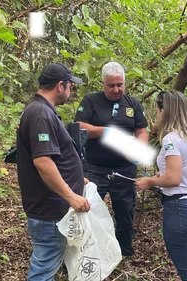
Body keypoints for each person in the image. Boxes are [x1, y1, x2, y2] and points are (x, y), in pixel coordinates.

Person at [16, 62, 91, 281]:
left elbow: (54, 159)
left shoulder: (42, 111)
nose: (70, 90)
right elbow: (43, 162)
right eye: (70, 85)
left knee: (47, 265)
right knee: (44, 269)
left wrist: (76, 178)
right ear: (60, 86)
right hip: (49, 210)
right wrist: (71, 195)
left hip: (51, 207)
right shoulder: (40, 114)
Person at [74, 62, 148, 257]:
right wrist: (107, 132)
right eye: (111, 85)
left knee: (125, 212)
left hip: (124, 169)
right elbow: (79, 127)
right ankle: (86, 252)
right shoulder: (90, 101)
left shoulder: (133, 104)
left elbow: (142, 130)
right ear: (103, 83)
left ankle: (123, 252)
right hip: (94, 167)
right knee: (88, 209)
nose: (116, 89)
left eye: (120, 85)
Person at [135, 90, 187, 281]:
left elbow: (174, 179)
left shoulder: (171, 140)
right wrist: (164, 176)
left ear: (164, 110)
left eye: (157, 109)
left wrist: (150, 181)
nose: (156, 114)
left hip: (180, 210)